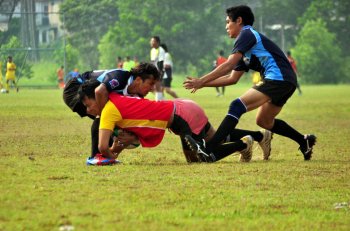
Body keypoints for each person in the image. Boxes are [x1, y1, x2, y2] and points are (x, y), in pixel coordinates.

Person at [183, 5, 316, 161]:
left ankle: (209, 149)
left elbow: (229, 64)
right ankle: (303, 140)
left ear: (239, 20)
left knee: (236, 106)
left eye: (228, 22)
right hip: (287, 80)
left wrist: (201, 80)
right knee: (264, 121)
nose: (226, 27)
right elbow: (231, 78)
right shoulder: (245, 48)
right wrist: (203, 84)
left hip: (278, 78)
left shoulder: (246, 33)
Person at [79, 80, 273, 163]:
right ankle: (257, 136)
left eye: (88, 105)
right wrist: (116, 150)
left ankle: (243, 144)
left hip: (181, 115)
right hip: (183, 107)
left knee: (204, 156)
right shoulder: (117, 99)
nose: (88, 111)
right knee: (213, 139)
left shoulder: (109, 110)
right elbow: (120, 142)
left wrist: (110, 158)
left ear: (98, 97)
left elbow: (103, 148)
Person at [63, 62, 160, 162]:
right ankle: (98, 156)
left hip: (90, 91)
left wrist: (132, 137)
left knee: (113, 120)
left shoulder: (138, 97)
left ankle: (105, 155)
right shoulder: (120, 76)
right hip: (74, 88)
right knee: (105, 117)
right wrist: (105, 117)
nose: (153, 88)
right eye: (151, 84)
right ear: (139, 80)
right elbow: (99, 91)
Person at [150, 36, 165, 101]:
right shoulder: (152, 50)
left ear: (157, 42)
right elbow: (153, 61)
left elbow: (161, 62)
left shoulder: (161, 50)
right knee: (154, 88)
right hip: (154, 71)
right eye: (151, 41)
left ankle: (158, 102)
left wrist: (159, 73)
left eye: (153, 41)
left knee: (157, 87)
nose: (151, 42)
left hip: (159, 70)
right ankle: (163, 101)